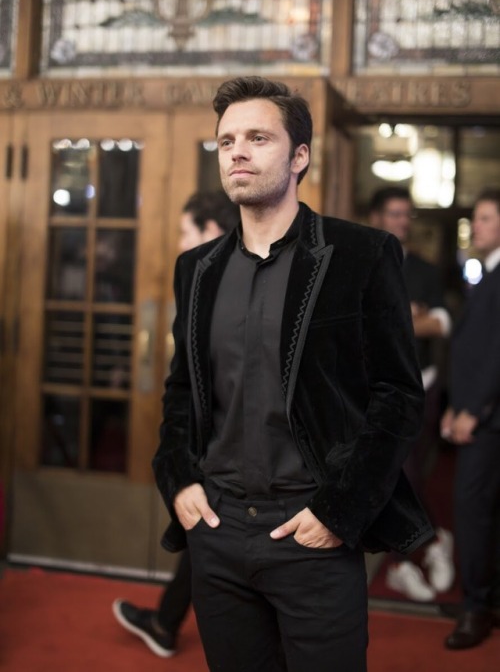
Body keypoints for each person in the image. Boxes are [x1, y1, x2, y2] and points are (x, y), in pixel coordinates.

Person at [152, 76, 433, 672]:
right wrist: (177, 480)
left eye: (258, 137)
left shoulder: (361, 254)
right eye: (226, 141)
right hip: (218, 530)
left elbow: (398, 395)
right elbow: (182, 391)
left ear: (299, 155)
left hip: (312, 531)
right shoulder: (196, 269)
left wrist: (339, 512)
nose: (238, 152)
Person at [112, 190, 239, 657]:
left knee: (208, 528)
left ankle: (167, 623)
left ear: (209, 232)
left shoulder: (226, 279)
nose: (180, 242)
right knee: (202, 526)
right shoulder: (201, 277)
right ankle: (166, 621)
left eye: (186, 232)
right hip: (210, 442)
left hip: (229, 444)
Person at [368, 186, 454, 602]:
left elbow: (441, 324)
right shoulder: (361, 263)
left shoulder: (424, 269)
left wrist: (395, 319)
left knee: (408, 472)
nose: (402, 221)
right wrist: (408, 315)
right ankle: (422, 548)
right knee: (389, 474)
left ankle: (422, 549)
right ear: (377, 217)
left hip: (421, 382)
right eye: (394, 213)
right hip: (372, 388)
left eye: (407, 214)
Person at [440, 188, 500, 650]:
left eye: (483, 218)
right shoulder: (488, 275)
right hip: (476, 412)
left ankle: (477, 607)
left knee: (474, 512)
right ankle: (483, 599)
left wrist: (472, 410)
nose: (475, 226)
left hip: (488, 419)